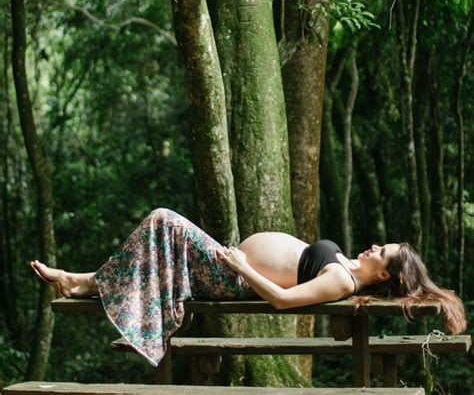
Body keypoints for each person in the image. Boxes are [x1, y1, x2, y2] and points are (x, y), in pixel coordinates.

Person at [31, 207, 466, 366]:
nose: (373, 246)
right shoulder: (347, 266)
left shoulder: (340, 280)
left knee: (163, 220)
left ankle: (81, 281)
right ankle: (82, 282)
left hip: (231, 276)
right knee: (161, 233)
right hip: (230, 265)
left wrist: (241, 264)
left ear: (385, 274)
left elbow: (281, 300)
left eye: (381, 251)